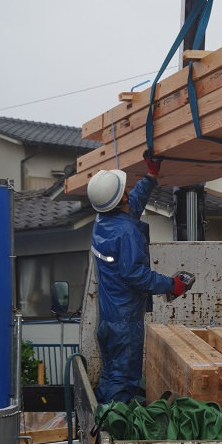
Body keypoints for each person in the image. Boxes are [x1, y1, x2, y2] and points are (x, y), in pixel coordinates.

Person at [87, 156, 188, 404]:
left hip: (109, 321)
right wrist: (171, 284)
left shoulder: (103, 223)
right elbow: (135, 275)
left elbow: (133, 204)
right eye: (125, 190)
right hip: (126, 323)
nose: (129, 192)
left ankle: (97, 420)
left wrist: (151, 176)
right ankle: (112, 430)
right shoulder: (126, 232)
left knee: (111, 376)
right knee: (123, 382)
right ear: (120, 199)